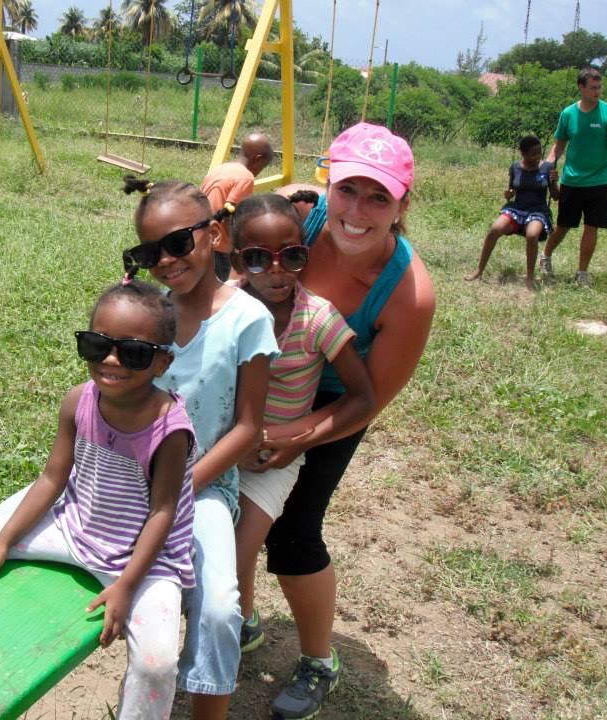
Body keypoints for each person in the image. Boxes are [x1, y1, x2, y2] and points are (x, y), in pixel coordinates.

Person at [0, 280, 196, 720]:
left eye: (133, 353)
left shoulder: (170, 430)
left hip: (143, 559)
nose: (112, 360)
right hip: (76, 527)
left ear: (163, 362)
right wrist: (5, 540)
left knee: (157, 663)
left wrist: (125, 585)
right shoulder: (77, 401)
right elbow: (52, 478)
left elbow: (163, 512)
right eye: (97, 344)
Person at [269, 122, 435, 720]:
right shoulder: (297, 220)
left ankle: (319, 660)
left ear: (401, 207)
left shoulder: (407, 294)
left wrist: (297, 438)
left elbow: (369, 401)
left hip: (335, 402)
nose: (357, 211)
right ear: (328, 186)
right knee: (225, 504)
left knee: (291, 533)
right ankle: (235, 622)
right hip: (266, 375)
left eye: (378, 198)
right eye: (348, 190)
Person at [121, 176, 279, 720]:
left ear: (214, 233)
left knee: (217, 610)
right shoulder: (150, 318)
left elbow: (247, 428)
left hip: (203, 490)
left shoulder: (248, 319)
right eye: (149, 252)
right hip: (134, 480)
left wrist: (180, 490)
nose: (165, 260)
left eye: (178, 243)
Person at [225, 193, 376, 656]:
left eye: (290, 256)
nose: (275, 270)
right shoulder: (222, 309)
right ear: (236, 260)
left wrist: (297, 441)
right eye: (256, 258)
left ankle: (232, 629)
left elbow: (363, 396)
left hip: (273, 460)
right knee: (213, 544)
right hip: (221, 450)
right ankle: (244, 619)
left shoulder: (317, 318)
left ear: (303, 255)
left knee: (236, 550)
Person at [538, 67, 607, 287]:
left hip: (600, 180)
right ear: (582, 88)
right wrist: (547, 164)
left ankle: (582, 273)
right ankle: (546, 255)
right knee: (564, 225)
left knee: (591, 227)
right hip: (572, 179)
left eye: (599, 87)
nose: (598, 91)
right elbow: (559, 146)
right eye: (593, 88)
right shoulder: (568, 114)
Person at [465, 135, 561, 287]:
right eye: (533, 154)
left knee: (532, 235)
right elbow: (511, 190)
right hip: (518, 208)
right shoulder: (515, 167)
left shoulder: (547, 168)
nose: (538, 157)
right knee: (494, 230)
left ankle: (529, 277)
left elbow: (556, 197)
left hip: (537, 210)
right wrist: (508, 194)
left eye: (539, 152)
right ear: (523, 154)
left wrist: (555, 182)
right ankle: (479, 270)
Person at [200, 132, 275, 281]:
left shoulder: (220, 169)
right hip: (220, 245)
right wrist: (237, 247)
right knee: (221, 288)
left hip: (202, 239)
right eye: (262, 167)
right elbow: (230, 215)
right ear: (257, 159)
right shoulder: (246, 177)